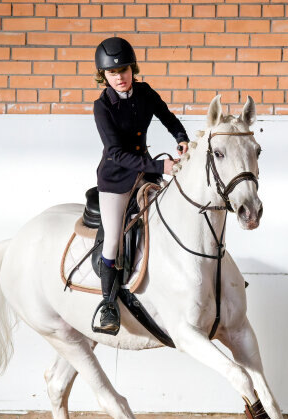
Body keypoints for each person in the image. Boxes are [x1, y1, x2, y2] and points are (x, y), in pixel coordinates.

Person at [91, 37, 189, 335]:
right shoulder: (102, 107)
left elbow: (166, 116)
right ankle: (108, 305)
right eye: (112, 73)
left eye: (123, 70)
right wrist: (162, 166)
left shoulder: (144, 92)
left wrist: (181, 137)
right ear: (103, 76)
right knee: (113, 240)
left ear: (132, 68)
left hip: (145, 172)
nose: (119, 77)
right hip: (116, 180)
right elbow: (117, 154)